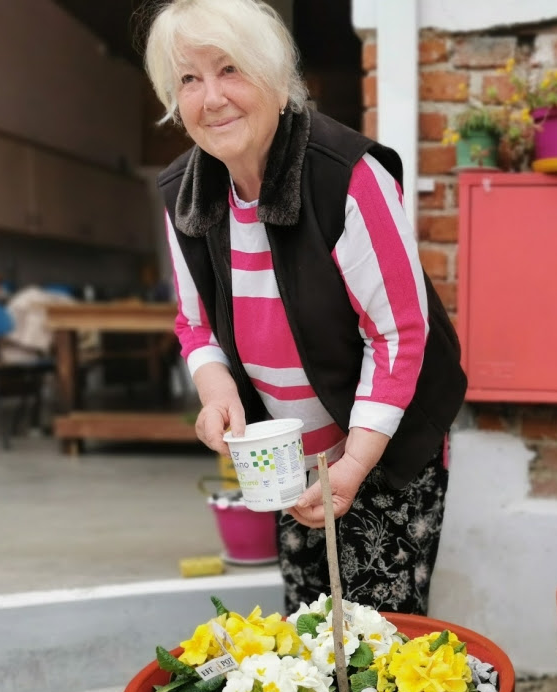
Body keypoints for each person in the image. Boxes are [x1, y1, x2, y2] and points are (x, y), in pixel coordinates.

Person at [144, 0, 466, 615]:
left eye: (231, 69)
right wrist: (217, 393)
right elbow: (194, 324)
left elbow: (397, 336)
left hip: (383, 443)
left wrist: (352, 467)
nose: (211, 98)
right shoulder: (184, 194)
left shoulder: (346, 176)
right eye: (189, 78)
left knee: (380, 636)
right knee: (310, 618)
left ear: (274, 76)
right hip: (289, 454)